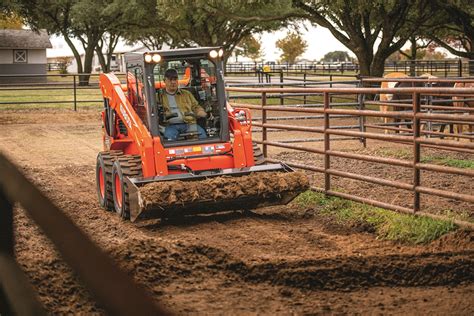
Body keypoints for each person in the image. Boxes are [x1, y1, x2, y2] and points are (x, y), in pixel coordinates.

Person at [160, 68, 207, 141]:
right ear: (164, 81)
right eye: (170, 79)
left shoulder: (186, 94)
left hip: (188, 123)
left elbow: (196, 106)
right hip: (170, 126)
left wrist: (200, 112)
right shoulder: (159, 97)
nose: (173, 82)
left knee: (202, 135)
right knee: (169, 139)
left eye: (175, 79)